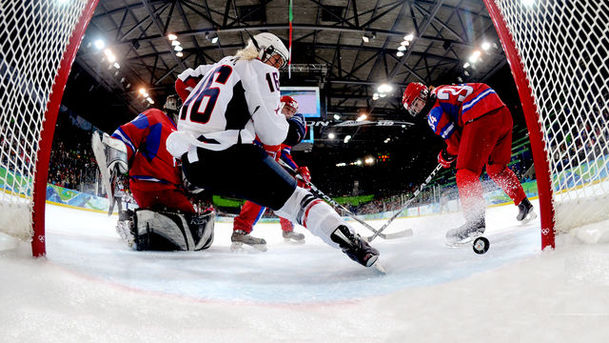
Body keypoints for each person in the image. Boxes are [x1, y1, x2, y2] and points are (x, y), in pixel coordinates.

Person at [168, 32, 379, 268]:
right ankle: (354, 245)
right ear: (262, 50)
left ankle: (242, 225)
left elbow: (182, 81)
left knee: (264, 186)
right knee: (297, 199)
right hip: (230, 156)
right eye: (276, 60)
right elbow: (275, 135)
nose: (276, 67)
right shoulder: (260, 70)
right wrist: (296, 125)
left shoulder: (221, 64)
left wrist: (204, 117)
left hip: (191, 163)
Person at [401, 82, 536, 244]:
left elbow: (456, 145)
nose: (417, 109)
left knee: (465, 171)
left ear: (423, 95)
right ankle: (524, 204)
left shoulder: (433, 112)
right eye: (413, 109)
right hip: (501, 112)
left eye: (417, 104)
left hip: (480, 116)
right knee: (496, 169)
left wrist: (444, 156)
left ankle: (475, 222)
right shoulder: (440, 90)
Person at [95, 95, 215, 251]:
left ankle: (134, 220)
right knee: (191, 234)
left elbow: (186, 177)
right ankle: (136, 226)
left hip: (168, 189)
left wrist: (194, 180)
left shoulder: (185, 138)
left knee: (198, 230)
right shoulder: (156, 116)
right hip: (151, 183)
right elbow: (130, 131)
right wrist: (118, 148)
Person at [231, 96, 310, 251]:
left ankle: (287, 230)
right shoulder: (263, 116)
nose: (289, 114)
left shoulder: (284, 128)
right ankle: (241, 231)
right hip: (245, 161)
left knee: (285, 191)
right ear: (279, 105)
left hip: (263, 164)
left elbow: (285, 155)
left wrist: (297, 170)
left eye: (292, 112)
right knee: (261, 193)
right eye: (287, 109)